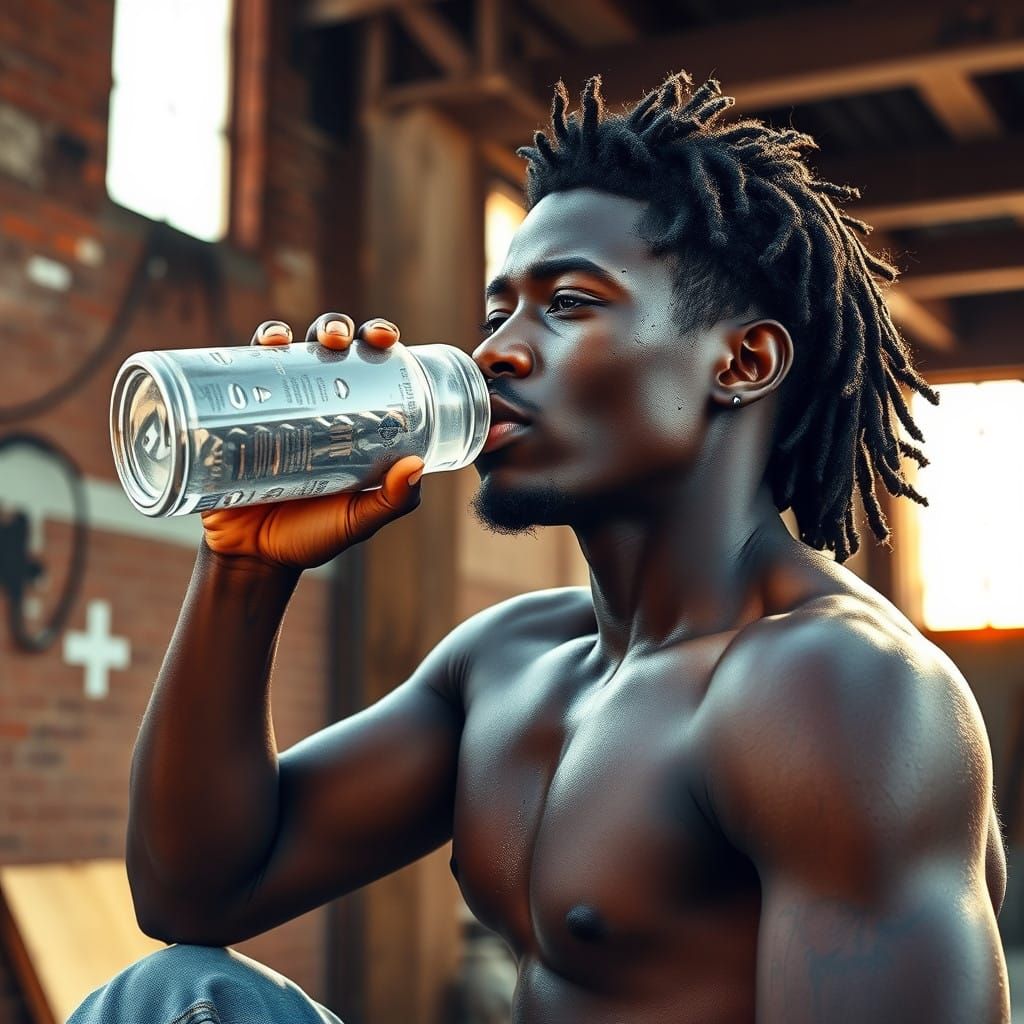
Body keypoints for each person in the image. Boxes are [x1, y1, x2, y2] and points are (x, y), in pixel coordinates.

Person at [71, 72, 1010, 1024]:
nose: (497, 353)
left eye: (566, 304)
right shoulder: (511, 660)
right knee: (177, 994)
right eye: (496, 315)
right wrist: (245, 569)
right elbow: (196, 895)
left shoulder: (838, 688)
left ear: (742, 362)